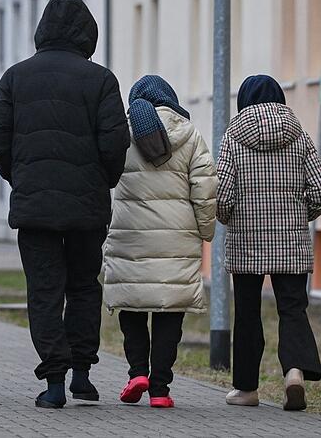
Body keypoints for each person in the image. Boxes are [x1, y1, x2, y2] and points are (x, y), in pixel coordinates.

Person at [0, 0, 130, 409]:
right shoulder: (101, 80)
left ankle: (53, 383)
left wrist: (22, 177)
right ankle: (82, 374)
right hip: (87, 207)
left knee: (44, 291)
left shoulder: (15, 78)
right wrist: (103, 180)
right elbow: (115, 140)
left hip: (35, 208)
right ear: (88, 34)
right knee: (84, 287)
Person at [216, 74, 321, 411]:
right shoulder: (299, 136)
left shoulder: (232, 136)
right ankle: (294, 371)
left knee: (248, 313)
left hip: (246, 241)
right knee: (292, 308)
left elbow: (221, 195)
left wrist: (231, 220)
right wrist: (300, 216)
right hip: (291, 240)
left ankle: (246, 389)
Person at [103, 75, 217, 409]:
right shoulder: (190, 135)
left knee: (132, 304)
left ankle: (137, 372)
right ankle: (160, 388)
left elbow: (104, 175)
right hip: (177, 238)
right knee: (170, 312)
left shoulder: (123, 135)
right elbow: (206, 188)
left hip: (129, 236)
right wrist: (205, 231)